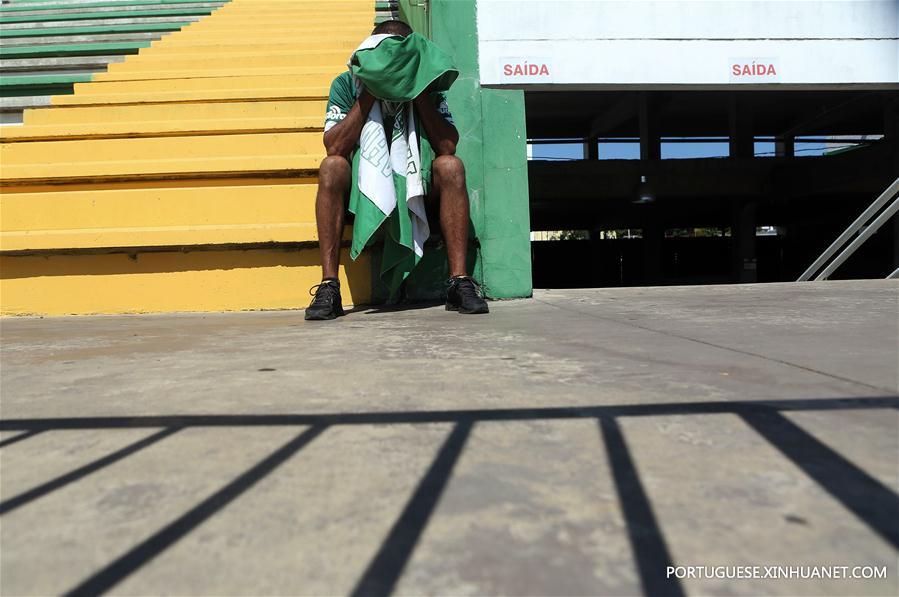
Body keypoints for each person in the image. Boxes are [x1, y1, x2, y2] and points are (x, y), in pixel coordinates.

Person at [305, 19, 489, 320]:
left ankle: (459, 282)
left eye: (398, 55)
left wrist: (414, 89)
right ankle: (329, 286)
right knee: (331, 167)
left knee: (451, 166)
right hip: (363, 187)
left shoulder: (429, 85)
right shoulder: (346, 83)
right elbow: (334, 146)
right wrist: (371, 92)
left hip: (419, 184)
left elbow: (447, 146)